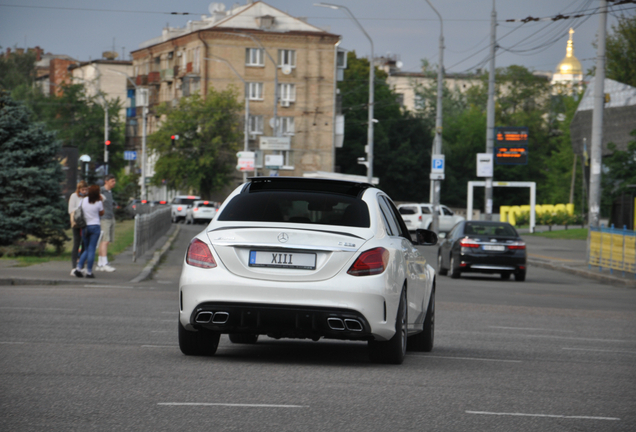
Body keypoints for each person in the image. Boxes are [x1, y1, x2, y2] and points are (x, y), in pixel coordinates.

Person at [73, 185, 104, 279]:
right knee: (91, 249)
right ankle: (89, 272)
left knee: (86, 249)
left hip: (85, 227)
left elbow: (79, 210)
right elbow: (102, 213)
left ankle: (78, 269)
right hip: (95, 227)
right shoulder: (98, 202)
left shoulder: (83, 201)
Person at [96, 174, 116, 272]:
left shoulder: (109, 192)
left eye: (114, 181)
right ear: (106, 181)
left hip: (110, 217)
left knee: (105, 241)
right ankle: (104, 263)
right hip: (104, 219)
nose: (114, 183)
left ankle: (100, 263)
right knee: (105, 240)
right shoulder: (101, 191)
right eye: (112, 181)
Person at [68, 180, 88, 275]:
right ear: (79, 189)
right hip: (76, 222)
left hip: (85, 223)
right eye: (82, 189)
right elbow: (70, 209)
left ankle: (81, 266)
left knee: (84, 243)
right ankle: (74, 266)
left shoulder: (88, 197)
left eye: (85, 189)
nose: (84, 191)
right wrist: (79, 208)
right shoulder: (74, 196)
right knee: (77, 242)